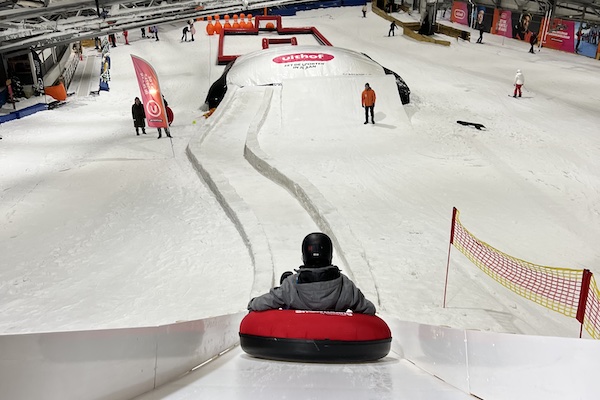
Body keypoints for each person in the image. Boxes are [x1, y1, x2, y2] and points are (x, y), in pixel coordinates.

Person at [247, 232, 376, 315]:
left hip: (298, 336)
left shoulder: (290, 285)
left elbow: (264, 302)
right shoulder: (345, 285)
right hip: (332, 338)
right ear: (330, 256)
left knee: (285, 282)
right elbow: (369, 309)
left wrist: (252, 303)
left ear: (304, 256)